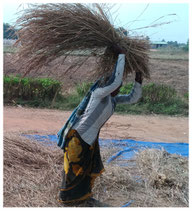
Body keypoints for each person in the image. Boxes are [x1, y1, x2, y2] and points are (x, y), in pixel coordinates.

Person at [57, 46, 143, 206]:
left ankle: (83, 198)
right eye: (116, 86)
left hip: (90, 140)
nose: (118, 88)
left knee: (86, 171)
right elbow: (116, 80)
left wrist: (138, 79)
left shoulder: (113, 100)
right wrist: (122, 55)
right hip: (78, 137)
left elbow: (133, 98)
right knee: (73, 171)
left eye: (119, 87)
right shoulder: (98, 94)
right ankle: (67, 200)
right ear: (108, 85)